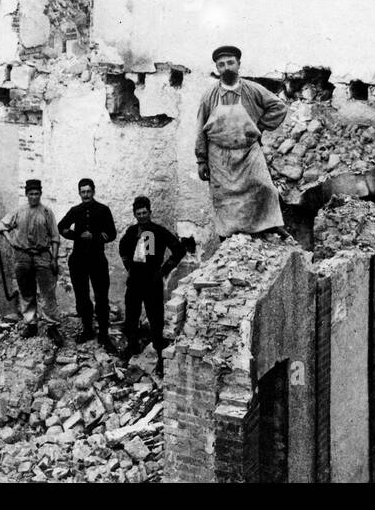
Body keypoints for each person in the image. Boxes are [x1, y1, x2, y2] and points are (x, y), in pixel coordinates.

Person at [195, 45, 289, 237]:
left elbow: (278, 107)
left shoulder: (252, 90)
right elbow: (200, 128)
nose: (226, 67)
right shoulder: (209, 96)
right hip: (219, 154)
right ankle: (228, 238)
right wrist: (201, 160)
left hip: (248, 151)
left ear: (239, 64)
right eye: (221, 65)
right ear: (217, 68)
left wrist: (260, 126)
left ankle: (270, 226)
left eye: (230, 63)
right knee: (223, 198)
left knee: (265, 188)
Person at [118, 196, 187, 376]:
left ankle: (159, 353)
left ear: (150, 212)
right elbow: (122, 248)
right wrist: (128, 266)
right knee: (131, 314)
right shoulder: (132, 231)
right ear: (135, 214)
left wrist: (164, 270)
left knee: (155, 316)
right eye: (138, 213)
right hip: (134, 280)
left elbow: (179, 250)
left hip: (152, 280)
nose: (142, 216)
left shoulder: (159, 231)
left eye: (144, 213)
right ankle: (132, 347)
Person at [0, 179, 62, 345]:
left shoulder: (47, 212)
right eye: (31, 194)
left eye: (36, 193)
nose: (34, 197)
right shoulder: (18, 211)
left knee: (48, 292)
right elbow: (2, 225)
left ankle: (52, 326)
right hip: (23, 256)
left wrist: (54, 259)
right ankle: (31, 324)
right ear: (27, 194)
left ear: (40, 194)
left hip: (42, 255)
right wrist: (11, 240)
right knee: (26, 291)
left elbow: (55, 237)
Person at [57, 178, 116, 350]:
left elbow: (111, 233)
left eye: (88, 191)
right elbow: (62, 227)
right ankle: (88, 329)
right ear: (79, 193)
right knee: (82, 297)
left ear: (94, 191)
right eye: (83, 192)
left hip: (97, 259)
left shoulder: (103, 210)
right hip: (79, 260)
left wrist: (95, 236)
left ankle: (104, 335)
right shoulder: (75, 210)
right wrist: (77, 236)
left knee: (101, 297)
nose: (86, 195)